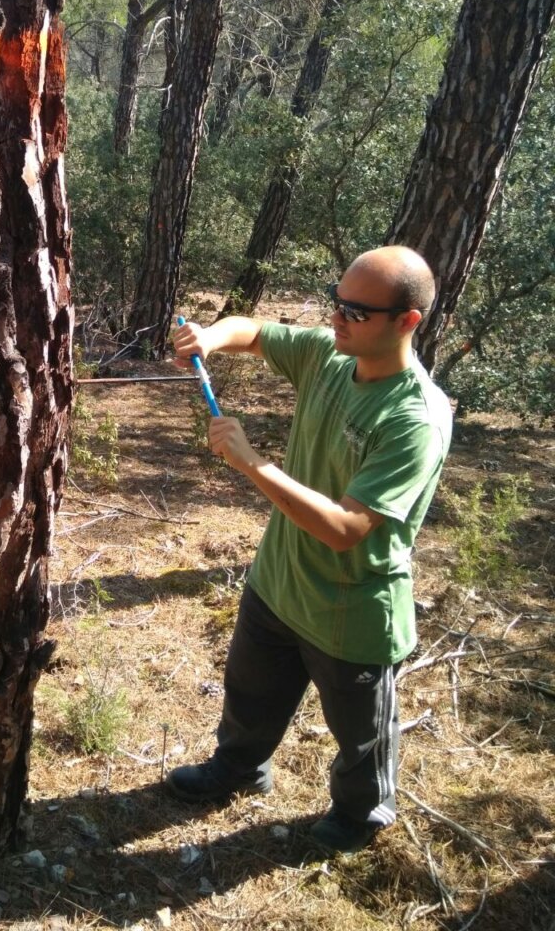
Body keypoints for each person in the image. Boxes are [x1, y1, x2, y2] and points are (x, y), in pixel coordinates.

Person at [167, 246, 452, 855]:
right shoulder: (329, 354)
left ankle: (359, 815)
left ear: (407, 321)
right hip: (279, 580)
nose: (338, 319)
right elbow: (255, 332)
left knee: (361, 737)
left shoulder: (415, 418)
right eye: (336, 302)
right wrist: (210, 338)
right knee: (250, 693)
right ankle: (239, 768)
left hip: (351, 608)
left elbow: (347, 528)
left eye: (356, 311)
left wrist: (251, 462)